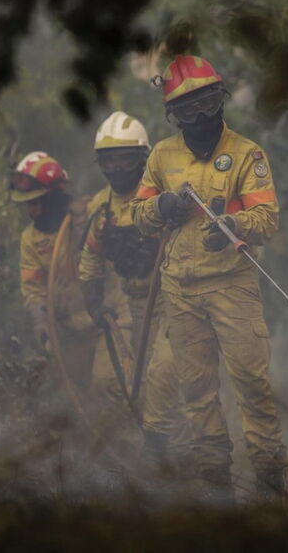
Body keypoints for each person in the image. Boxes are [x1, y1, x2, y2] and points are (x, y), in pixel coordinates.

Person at [131, 55, 286, 501]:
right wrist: (162, 208)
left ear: (221, 101)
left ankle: (272, 485)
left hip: (232, 285)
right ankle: (217, 489)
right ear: (174, 116)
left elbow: (267, 217)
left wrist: (235, 227)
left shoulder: (247, 153)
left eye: (207, 104)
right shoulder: (161, 155)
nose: (199, 117)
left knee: (252, 384)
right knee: (197, 393)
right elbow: (139, 214)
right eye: (187, 110)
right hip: (179, 291)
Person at [78, 111, 187, 469]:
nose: (118, 168)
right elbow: (90, 261)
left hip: (171, 302)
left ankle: (174, 455)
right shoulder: (100, 208)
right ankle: (131, 462)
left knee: (163, 378)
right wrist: (95, 304)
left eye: (125, 158)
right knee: (117, 383)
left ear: (143, 158)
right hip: (133, 304)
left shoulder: (162, 195)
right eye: (109, 160)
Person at [12, 151, 132, 442]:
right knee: (79, 404)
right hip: (70, 334)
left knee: (109, 384)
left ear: (55, 196)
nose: (32, 210)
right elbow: (34, 290)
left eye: (38, 201)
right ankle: (110, 463)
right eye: (28, 203)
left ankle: (140, 452)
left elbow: (118, 249)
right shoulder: (31, 239)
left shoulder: (91, 211)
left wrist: (84, 224)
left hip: (110, 321)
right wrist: (42, 326)